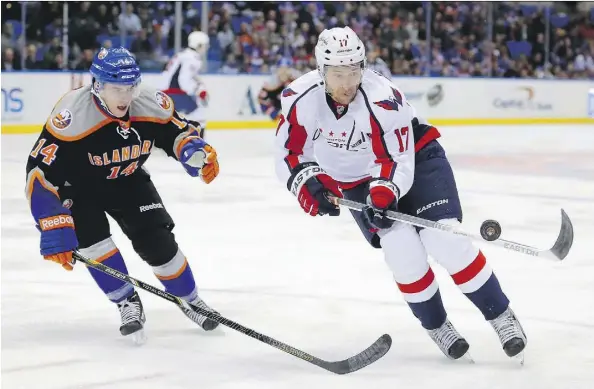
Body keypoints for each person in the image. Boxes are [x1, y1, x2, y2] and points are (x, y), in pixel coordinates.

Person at [274, 27, 527, 361]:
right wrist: (308, 184)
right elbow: (288, 154)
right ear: (322, 71)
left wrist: (383, 192)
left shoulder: (382, 97)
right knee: (401, 250)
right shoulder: (299, 99)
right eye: (338, 74)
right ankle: (437, 326)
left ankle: (500, 316)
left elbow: (395, 158)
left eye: (353, 71)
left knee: (445, 239)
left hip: (416, 163)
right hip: (356, 182)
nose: (347, 83)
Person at [26, 47, 220, 343]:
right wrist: (51, 220)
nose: (125, 97)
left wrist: (193, 150)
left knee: (158, 241)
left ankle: (190, 299)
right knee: (94, 245)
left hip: (127, 178)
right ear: (98, 85)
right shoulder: (72, 115)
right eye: (117, 88)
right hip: (78, 188)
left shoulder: (150, 102)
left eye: (130, 87)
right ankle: (126, 302)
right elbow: (38, 172)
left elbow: (177, 132)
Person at [161, 31, 209, 136]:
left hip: (166, 93)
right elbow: (184, 80)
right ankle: (198, 143)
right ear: (198, 45)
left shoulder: (183, 54)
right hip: (174, 93)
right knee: (199, 114)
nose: (206, 48)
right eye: (204, 45)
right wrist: (199, 91)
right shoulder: (192, 58)